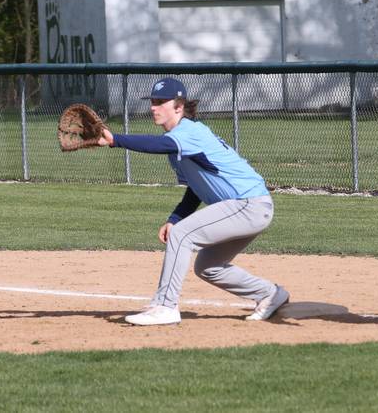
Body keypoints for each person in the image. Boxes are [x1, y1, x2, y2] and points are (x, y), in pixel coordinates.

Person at [97, 77, 289, 326]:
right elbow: (195, 190)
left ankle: (166, 306)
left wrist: (116, 140)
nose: (153, 108)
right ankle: (269, 293)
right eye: (152, 102)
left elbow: (158, 144)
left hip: (248, 204)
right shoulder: (178, 144)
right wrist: (175, 218)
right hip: (244, 207)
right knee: (209, 266)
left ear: (178, 106)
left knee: (182, 236)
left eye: (160, 102)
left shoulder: (190, 132)